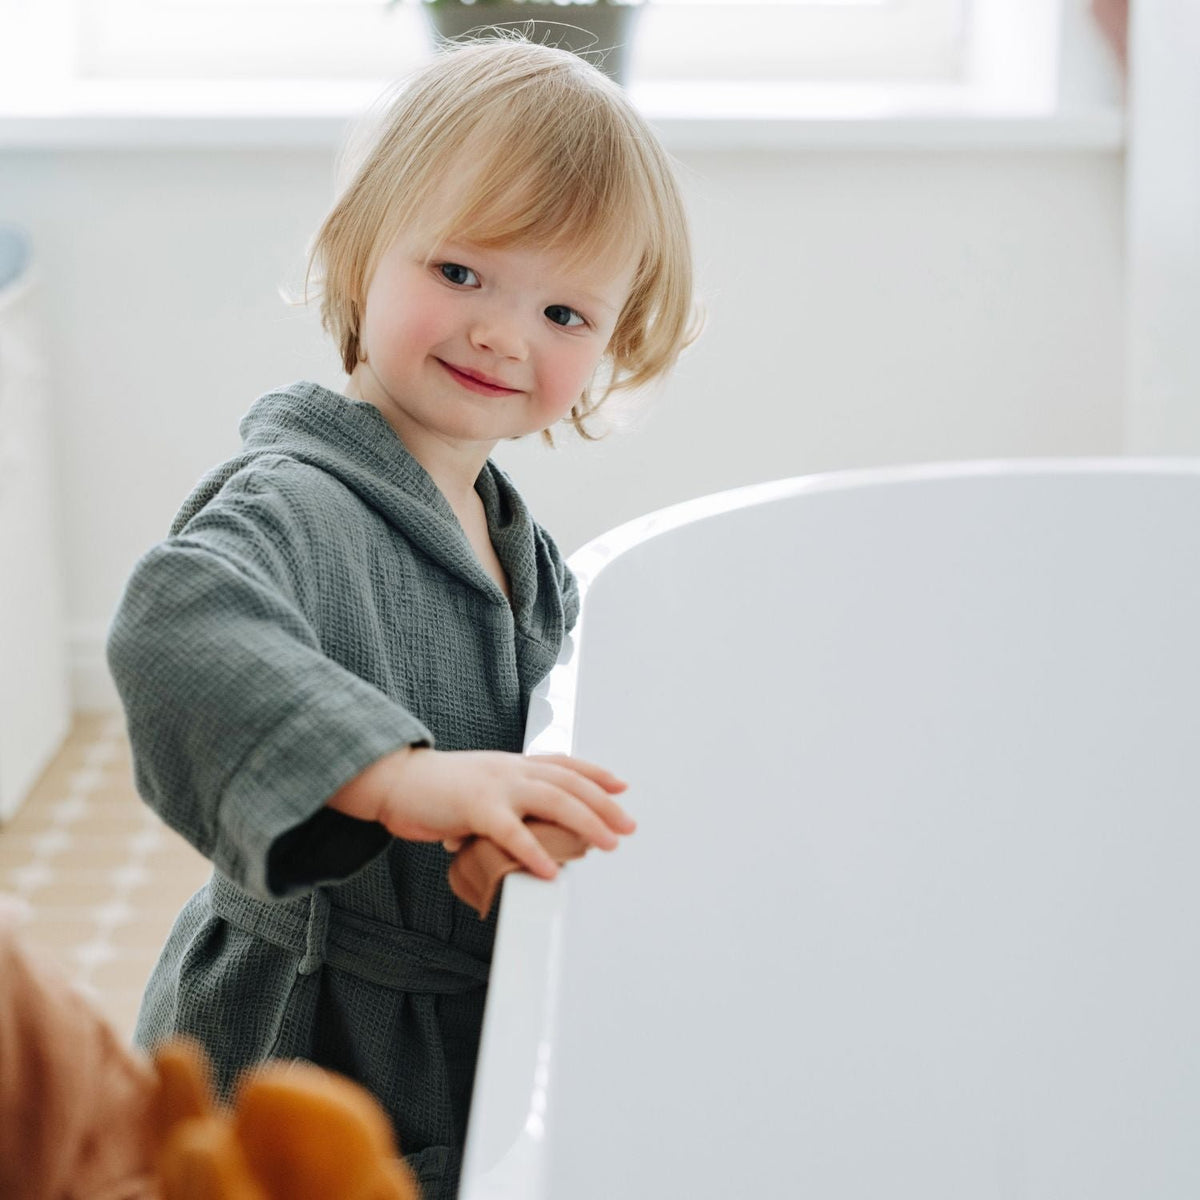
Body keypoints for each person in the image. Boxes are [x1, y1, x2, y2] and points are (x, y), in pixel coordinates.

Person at [106, 35, 697, 1200]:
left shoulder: (519, 548)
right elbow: (174, 624)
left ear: (615, 343)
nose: (503, 334)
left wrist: (512, 828)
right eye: (463, 274)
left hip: (448, 1026)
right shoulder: (297, 502)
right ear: (360, 252)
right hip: (305, 1038)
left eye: (566, 312)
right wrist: (397, 779)